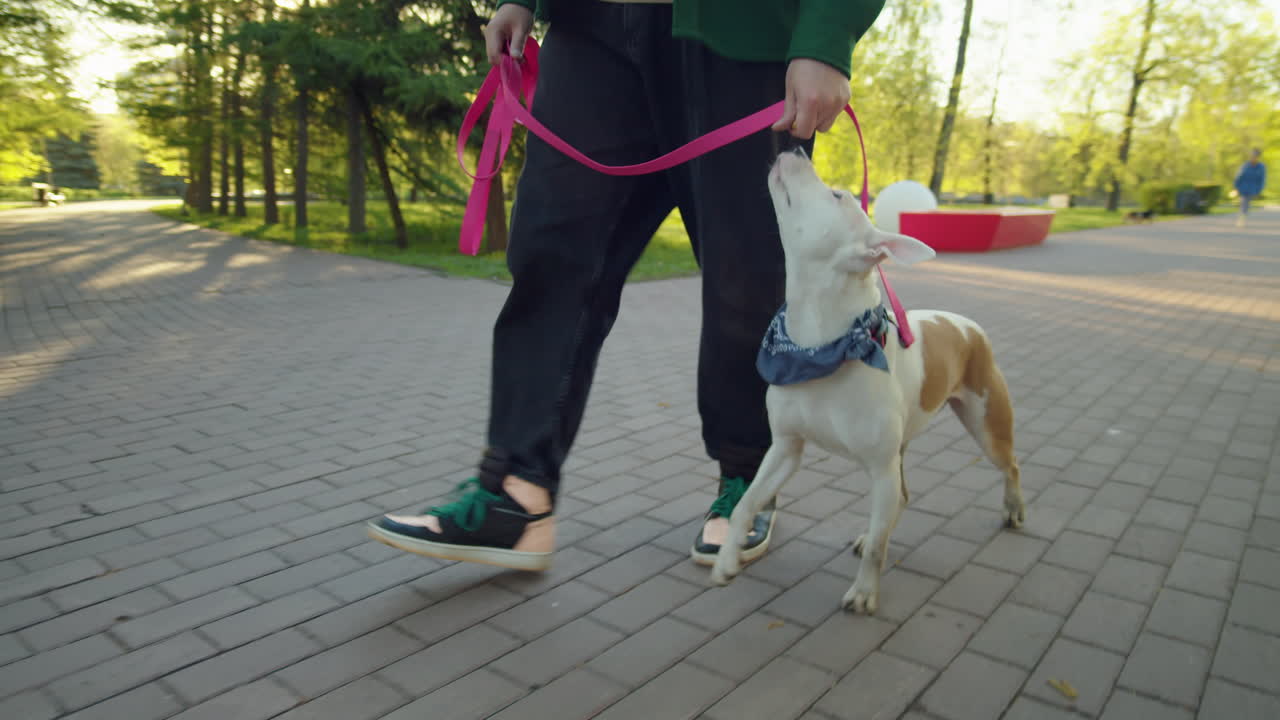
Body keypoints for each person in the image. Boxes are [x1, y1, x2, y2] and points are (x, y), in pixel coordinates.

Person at [368, 0, 887, 571]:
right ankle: (516, 495)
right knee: (550, 252)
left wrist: (826, 35)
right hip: (591, 26)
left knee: (746, 274)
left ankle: (747, 477)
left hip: (742, 31)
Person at [1234, 148, 1266, 227]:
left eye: (1255, 156)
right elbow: (1238, 177)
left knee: (1246, 203)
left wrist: (1259, 190)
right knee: (1244, 202)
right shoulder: (1245, 166)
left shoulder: (1261, 167)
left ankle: (1242, 216)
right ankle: (1242, 219)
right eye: (1252, 156)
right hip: (1243, 188)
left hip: (1253, 189)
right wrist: (1236, 187)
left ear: (1258, 157)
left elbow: (1261, 180)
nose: (1253, 157)